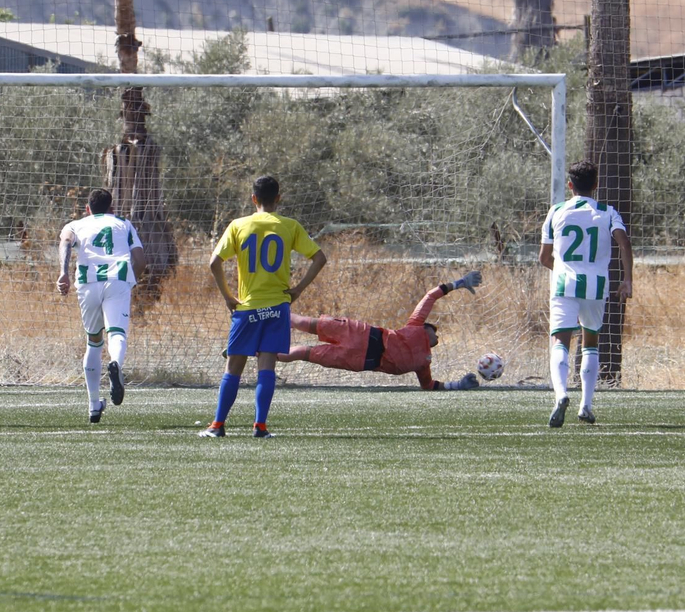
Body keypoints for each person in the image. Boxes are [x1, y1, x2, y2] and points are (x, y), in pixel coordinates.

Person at [200, 175, 328, 438]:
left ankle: (217, 426)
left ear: (253, 199)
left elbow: (215, 262)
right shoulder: (290, 226)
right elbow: (319, 258)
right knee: (267, 366)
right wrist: (298, 290)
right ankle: (260, 426)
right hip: (277, 307)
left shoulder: (238, 225)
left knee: (234, 366)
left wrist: (227, 296)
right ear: (278, 199)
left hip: (247, 308)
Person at [539, 160, 633, 427]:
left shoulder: (556, 211)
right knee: (590, 342)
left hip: (563, 284)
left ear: (570, 185)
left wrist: (562, 270)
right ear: (596, 185)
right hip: (595, 285)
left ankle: (560, 395)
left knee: (560, 342)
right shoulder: (607, 212)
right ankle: (586, 406)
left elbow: (544, 257)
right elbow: (624, 243)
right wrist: (627, 280)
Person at [276, 274, 485, 390]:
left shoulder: (424, 360)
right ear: (425, 328)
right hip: (362, 343)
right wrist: (459, 283)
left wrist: (458, 385)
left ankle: (262, 348)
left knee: (303, 350)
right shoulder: (416, 332)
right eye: (435, 330)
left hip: (360, 346)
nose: (437, 335)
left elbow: (429, 385)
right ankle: (268, 320)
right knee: (304, 325)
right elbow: (432, 296)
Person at [57, 188, 143, 424]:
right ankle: (115, 363)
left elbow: (65, 241)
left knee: (94, 341)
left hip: (87, 282)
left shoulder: (76, 224)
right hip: (117, 279)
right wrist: (130, 282)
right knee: (117, 332)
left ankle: (94, 404)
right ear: (112, 208)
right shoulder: (123, 223)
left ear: (87, 209)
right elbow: (140, 259)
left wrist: (63, 273)